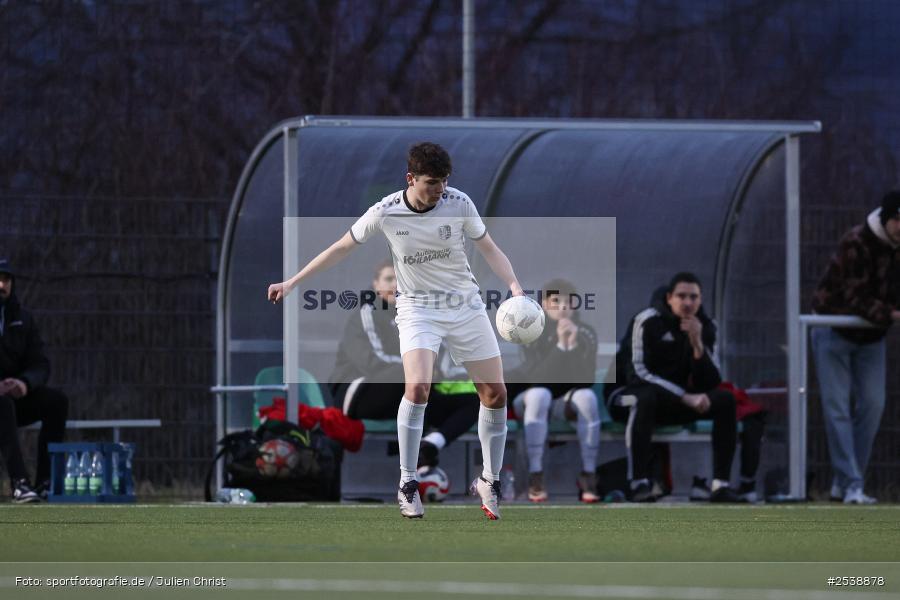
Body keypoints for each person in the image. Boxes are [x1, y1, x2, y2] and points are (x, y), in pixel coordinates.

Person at [269, 142, 524, 520]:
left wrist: (515, 288)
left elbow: (489, 248)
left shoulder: (459, 203)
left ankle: (489, 479)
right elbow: (341, 248)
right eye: (431, 183)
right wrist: (293, 281)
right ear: (411, 178)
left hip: (464, 304)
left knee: (495, 393)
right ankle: (407, 483)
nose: (439, 190)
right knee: (417, 388)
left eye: (443, 182)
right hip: (418, 308)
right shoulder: (385, 211)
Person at [607, 286, 766, 503]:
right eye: (680, 300)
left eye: (693, 299)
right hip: (629, 396)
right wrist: (684, 396)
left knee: (726, 400)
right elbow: (641, 377)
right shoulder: (646, 328)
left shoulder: (696, 329)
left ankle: (721, 485)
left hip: (667, 401)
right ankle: (639, 483)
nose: (686, 307)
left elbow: (707, 379)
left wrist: (697, 344)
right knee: (643, 399)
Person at [330, 260, 480, 468]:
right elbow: (373, 363)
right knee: (415, 380)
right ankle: (418, 466)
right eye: (388, 279)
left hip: (408, 391)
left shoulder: (418, 317)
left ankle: (429, 447)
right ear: (376, 284)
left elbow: (442, 361)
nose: (395, 285)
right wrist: (421, 367)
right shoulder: (366, 313)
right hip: (361, 394)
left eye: (400, 280)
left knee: (474, 402)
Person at [811, 191, 900, 505]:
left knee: (873, 406)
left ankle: (847, 482)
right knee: (837, 408)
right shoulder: (856, 242)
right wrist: (890, 314)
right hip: (835, 331)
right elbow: (854, 295)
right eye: (898, 220)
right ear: (888, 219)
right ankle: (851, 484)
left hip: (871, 337)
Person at [506, 279, 601, 503]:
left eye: (568, 302)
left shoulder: (586, 332)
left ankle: (589, 475)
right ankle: (535, 475)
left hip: (565, 399)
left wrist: (572, 345)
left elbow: (586, 380)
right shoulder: (532, 329)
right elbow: (537, 378)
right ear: (544, 304)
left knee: (587, 398)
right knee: (541, 395)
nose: (563, 306)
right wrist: (560, 345)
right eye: (556, 301)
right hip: (530, 397)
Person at [0, 259, 68, 503]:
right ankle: (19, 482)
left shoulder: (23, 320)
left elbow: (40, 363)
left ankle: (44, 483)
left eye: (6, 279)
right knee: (2, 405)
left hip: (12, 399)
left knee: (56, 401)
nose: (1, 284)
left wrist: (24, 384)